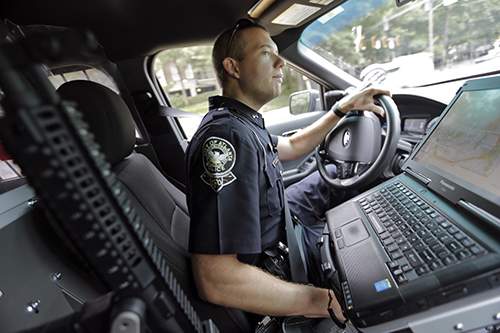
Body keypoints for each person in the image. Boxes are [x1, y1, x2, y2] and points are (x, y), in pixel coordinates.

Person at [186, 18, 390, 325]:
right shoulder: (227, 138)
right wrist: (319, 299)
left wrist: (341, 110)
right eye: (267, 53)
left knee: (335, 175)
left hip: (283, 227)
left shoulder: (240, 122)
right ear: (233, 67)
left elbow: (293, 146)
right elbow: (217, 278)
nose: (281, 62)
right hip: (278, 261)